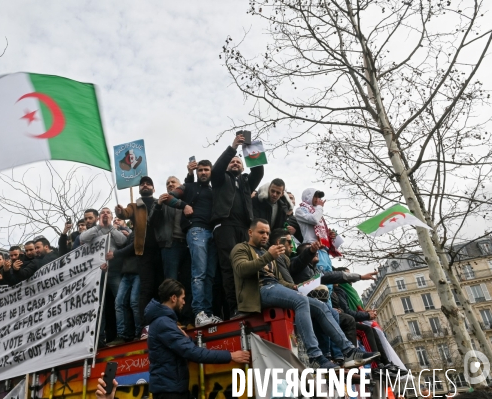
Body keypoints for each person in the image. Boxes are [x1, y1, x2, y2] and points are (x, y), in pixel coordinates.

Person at [230, 218, 379, 369]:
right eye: (261, 232)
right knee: (301, 301)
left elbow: (280, 281)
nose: (265, 236)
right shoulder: (241, 249)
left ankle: (348, 351)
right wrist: (269, 256)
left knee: (321, 306)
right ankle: (315, 356)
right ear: (250, 232)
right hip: (259, 292)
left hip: (274, 287)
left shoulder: (269, 254)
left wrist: (295, 287)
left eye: (267, 233)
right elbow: (241, 269)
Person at [145, 279, 250, 399]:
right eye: (182, 298)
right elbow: (192, 352)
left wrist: (186, 339)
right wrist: (231, 356)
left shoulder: (164, 322)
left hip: (172, 389)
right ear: (173, 298)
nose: (184, 302)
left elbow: (183, 349)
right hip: (170, 392)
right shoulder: (164, 324)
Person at [161, 159, 220, 327]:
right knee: (199, 273)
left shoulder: (214, 189)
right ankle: (199, 313)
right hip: (196, 230)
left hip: (213, 232)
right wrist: (183, 205)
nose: (203, 172)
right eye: (200, 170)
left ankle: (207, 313)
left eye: (206, 170)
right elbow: (168, 197)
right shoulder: (189, 187)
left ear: (210, 172)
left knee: (209, 275)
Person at [211, 131, 264, 319]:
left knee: (249, 265)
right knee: (229, 267)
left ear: (242, 167)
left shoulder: (246, 182)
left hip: (244, 228)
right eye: (232, 161)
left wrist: (249, 148)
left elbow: (259, 170)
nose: (235, 163)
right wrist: (233, 147)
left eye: (238, 162)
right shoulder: (219, 179)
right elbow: (216, 169)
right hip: (225, 226)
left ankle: (250, 305)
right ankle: (234, 307)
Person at [116, 176, 161, 334]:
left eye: (149, 183)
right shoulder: (134, 206)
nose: (145, 185)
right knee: (146, 289)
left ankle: (165, 321)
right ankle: (145, 326)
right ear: (139, 189)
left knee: (162, 286)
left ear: (153, 188)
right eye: (142, 184)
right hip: (144, 253)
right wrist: (120, 211)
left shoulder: (159, 202)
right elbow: (125, 214)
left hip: (162, 249)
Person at [79, 207, 128, 347]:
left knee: (120, 301)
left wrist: (111, 229)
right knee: (98, 305)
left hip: (115, 273)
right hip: (98, 274)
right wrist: (99, 226)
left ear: (112, 217)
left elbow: (123, 242)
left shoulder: (115, 231)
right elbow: (82, 238)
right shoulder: (94, 231)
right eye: (102, 213)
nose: (105, 214)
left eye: (108, 213)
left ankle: (122, 333)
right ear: (99, 217)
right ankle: (99, 338)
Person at [152, 175, 194, 327]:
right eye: (167, 183)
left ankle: (188, 320)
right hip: (170, 246)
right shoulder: (162, 202)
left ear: (179, 186)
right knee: (171, 285)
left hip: (188, 244)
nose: (170, 184)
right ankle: (172, 320)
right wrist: (157, 205)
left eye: (173, 182)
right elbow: (152, 222)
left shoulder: (186, 200)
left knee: (188, 283)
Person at [109, 231, 140, 345]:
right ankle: (122, 335)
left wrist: (115, 254)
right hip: (127, 272)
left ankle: (139, 333)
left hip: (139, 271)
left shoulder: (140, 228)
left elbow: (134, 246)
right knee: (119, 302)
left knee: (134, 302)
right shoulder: (129, 234)